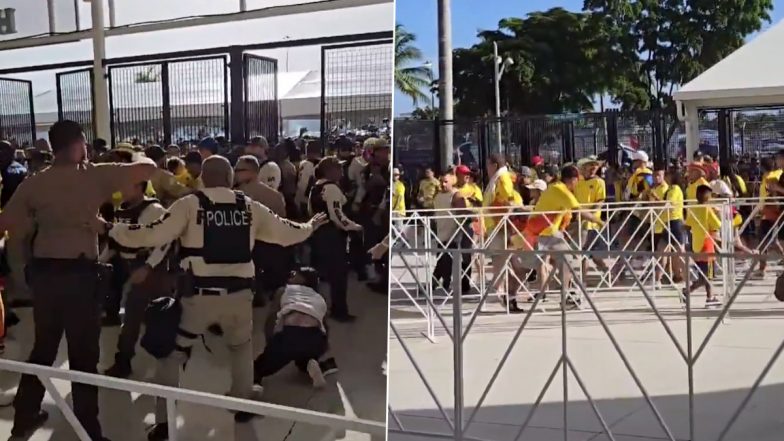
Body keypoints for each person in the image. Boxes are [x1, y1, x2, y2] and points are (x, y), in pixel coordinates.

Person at [104, 155, 326, 439]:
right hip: (240, 297)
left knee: (174, 354)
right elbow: (285, 232)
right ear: (231, 177)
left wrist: (112, 229)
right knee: (241, 349)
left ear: (204, 178)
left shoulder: (189, 204)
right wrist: (310, 226)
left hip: (198, 297)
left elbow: (152, 235)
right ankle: (241, 403)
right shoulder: (248, 206)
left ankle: (164, 422)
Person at [0, 120, 157, 440]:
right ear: (76, 145)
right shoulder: (94, 175)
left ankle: (23, 419)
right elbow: (149, 169)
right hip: (81, 276)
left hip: (44, 276)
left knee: (43, 348)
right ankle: (88, 429)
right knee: (84, 355)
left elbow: (6, 223)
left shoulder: (33, 183)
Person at [101, 181, 172, 378]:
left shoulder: (154, 210)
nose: (120, 189)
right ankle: (124, 362)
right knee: (135, 317)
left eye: (126, 185)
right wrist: (99, 262)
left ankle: (164, 365)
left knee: (155, 316)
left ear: (139, 187)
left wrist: (148, 267)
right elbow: (115, 242)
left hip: (152, 271)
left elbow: (166, 241)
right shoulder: (122, 210)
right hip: (133, 268)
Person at [523, 166, 604, 304]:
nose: (577, 184)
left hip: (545, 232)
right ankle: (565, 295)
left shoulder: (556, 188)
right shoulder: (561, 190)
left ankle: (565, 295)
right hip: (543, 232)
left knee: (565, 260)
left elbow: (566, 216)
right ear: (572, 179)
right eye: (577, 181)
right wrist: (600, 221)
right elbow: (580, 211)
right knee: (523, 266)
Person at [254, 267, 331, 388]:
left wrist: (271, 342)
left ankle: (254, 383)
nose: (291, 275)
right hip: (316, 338)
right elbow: (325, 326)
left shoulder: (284, 290)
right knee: (303, 352)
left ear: (303, 279)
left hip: (291, 334)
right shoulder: (319, 297)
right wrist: (322, 347)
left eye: (295, 274)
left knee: (260, 366)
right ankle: (310, 363)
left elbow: (272, 316)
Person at [308, 156, 363, 322]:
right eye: (338, 168)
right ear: (329, 171)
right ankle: (339, 311)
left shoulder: (316, 187)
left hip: (318, 234)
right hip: (332, 236)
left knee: (321, 274)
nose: (341, 171)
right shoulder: (331, 188)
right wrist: (354, 227)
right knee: (338, 275)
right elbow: (337, 215)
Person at [234, 155, 289, 305]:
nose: (235, 172)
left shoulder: (236, 195)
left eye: (239, 169)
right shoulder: (275, 195)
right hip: (270, 242)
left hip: (248, 242)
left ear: (252, 172)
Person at [682, 185, 722, 307]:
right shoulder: (707, 209)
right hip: (707, 244)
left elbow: (687, 224)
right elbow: (717, 224)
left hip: (696, 244)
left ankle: (710, 297)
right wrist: (717, 212)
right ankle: (688, 291)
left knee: (705, 274)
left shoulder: (693, 208)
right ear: (707, 197)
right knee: (706, 275)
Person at [431, 173, 471, 293]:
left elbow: (463, 213)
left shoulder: (456, 195)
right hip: (441, 233)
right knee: (443, 261)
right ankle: (439, 283)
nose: (443, 184)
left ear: (452, 182)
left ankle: (458, 285)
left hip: (454, 234)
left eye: (446, 182)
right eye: (441, 181)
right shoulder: (437, 196)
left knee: (451, 261)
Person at [647, 166, 686, 285]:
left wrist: (655, 197)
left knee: (680, 252)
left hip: (675, 222)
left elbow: (668, 204)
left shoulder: (675, 189)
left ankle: (686, 276)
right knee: (662, 251)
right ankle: (658, 279)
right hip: (666, 223)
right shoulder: (669, 189)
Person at [574, 156, 609, 274]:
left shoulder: (599, 182)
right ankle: (609, 273)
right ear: (583, 167)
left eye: (595, 165)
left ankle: (609, 273)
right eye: (590, 164)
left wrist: (590, 214)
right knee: (587, 252)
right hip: (579, 220)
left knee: (588, 252)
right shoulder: (578, 182)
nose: (593, 167)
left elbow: (600, 201)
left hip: (592, 223)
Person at [296, 141, 322, 214]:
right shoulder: (312, 165)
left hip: (300, 197)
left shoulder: (303, 163)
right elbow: (307, 184)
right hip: (306, 200)